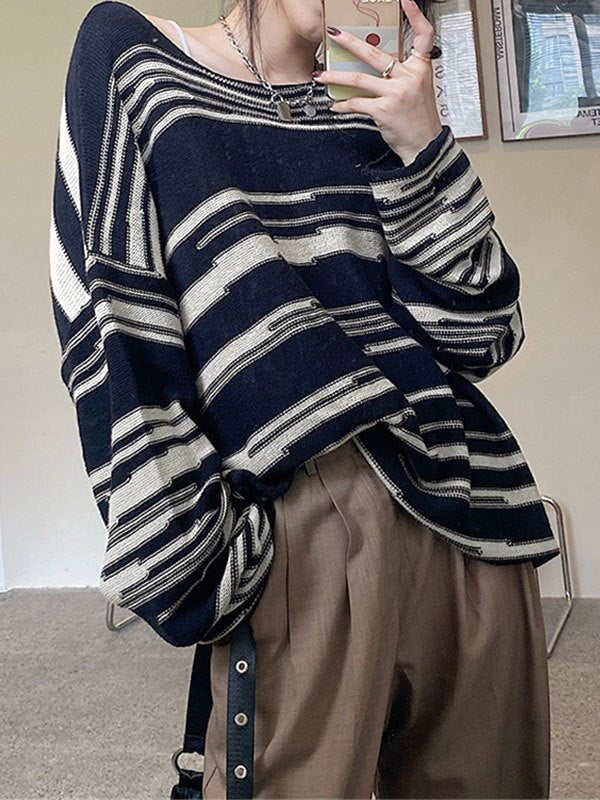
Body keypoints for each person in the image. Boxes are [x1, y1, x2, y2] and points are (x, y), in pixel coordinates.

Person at [49, 0, 557, 797]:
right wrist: (199, 566)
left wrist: (421, 148)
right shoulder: (133, 57)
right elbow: (117, 330)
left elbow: (483, 335)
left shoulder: (378, 103)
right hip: (304, 530)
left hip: (476, 521)